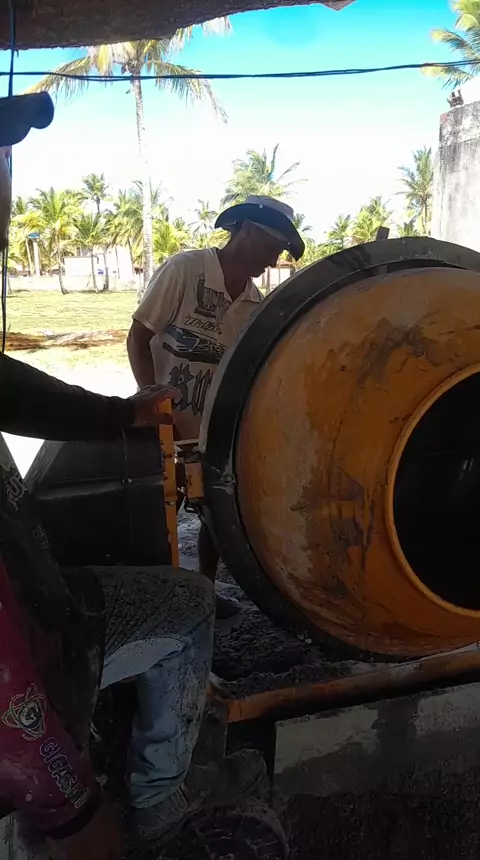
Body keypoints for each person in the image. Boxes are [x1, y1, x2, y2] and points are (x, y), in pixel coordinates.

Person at [0, 93, 265, 860]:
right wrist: (71, 805)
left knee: (195, 554)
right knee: (186, 605)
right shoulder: (186, 271)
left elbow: (9, 387)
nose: (8, 184)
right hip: (32, 652)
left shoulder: (252, 303)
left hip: (44, 591)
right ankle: (156, 806)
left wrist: (120, 414)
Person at [128, 194, 305, 617]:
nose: (272, 260)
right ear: (246, 230)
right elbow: (138, 337)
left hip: (212, 431)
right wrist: (152, 399)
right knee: (160, 514)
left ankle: (204, 591)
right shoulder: (185, 271)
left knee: (215, 511)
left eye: (279, 252)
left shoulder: (254, 305)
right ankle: (160, 600)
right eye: (271, 247)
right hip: (164, 422)